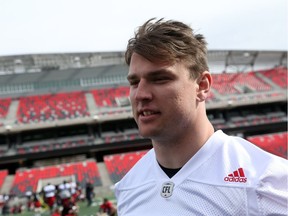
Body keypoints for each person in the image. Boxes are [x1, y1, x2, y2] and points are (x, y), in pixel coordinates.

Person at [114, 18, 288, 215]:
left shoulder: (263, 180)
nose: (140, 94)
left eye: (160, 79)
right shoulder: (128, 189)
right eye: (134, 82)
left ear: (202, 85)